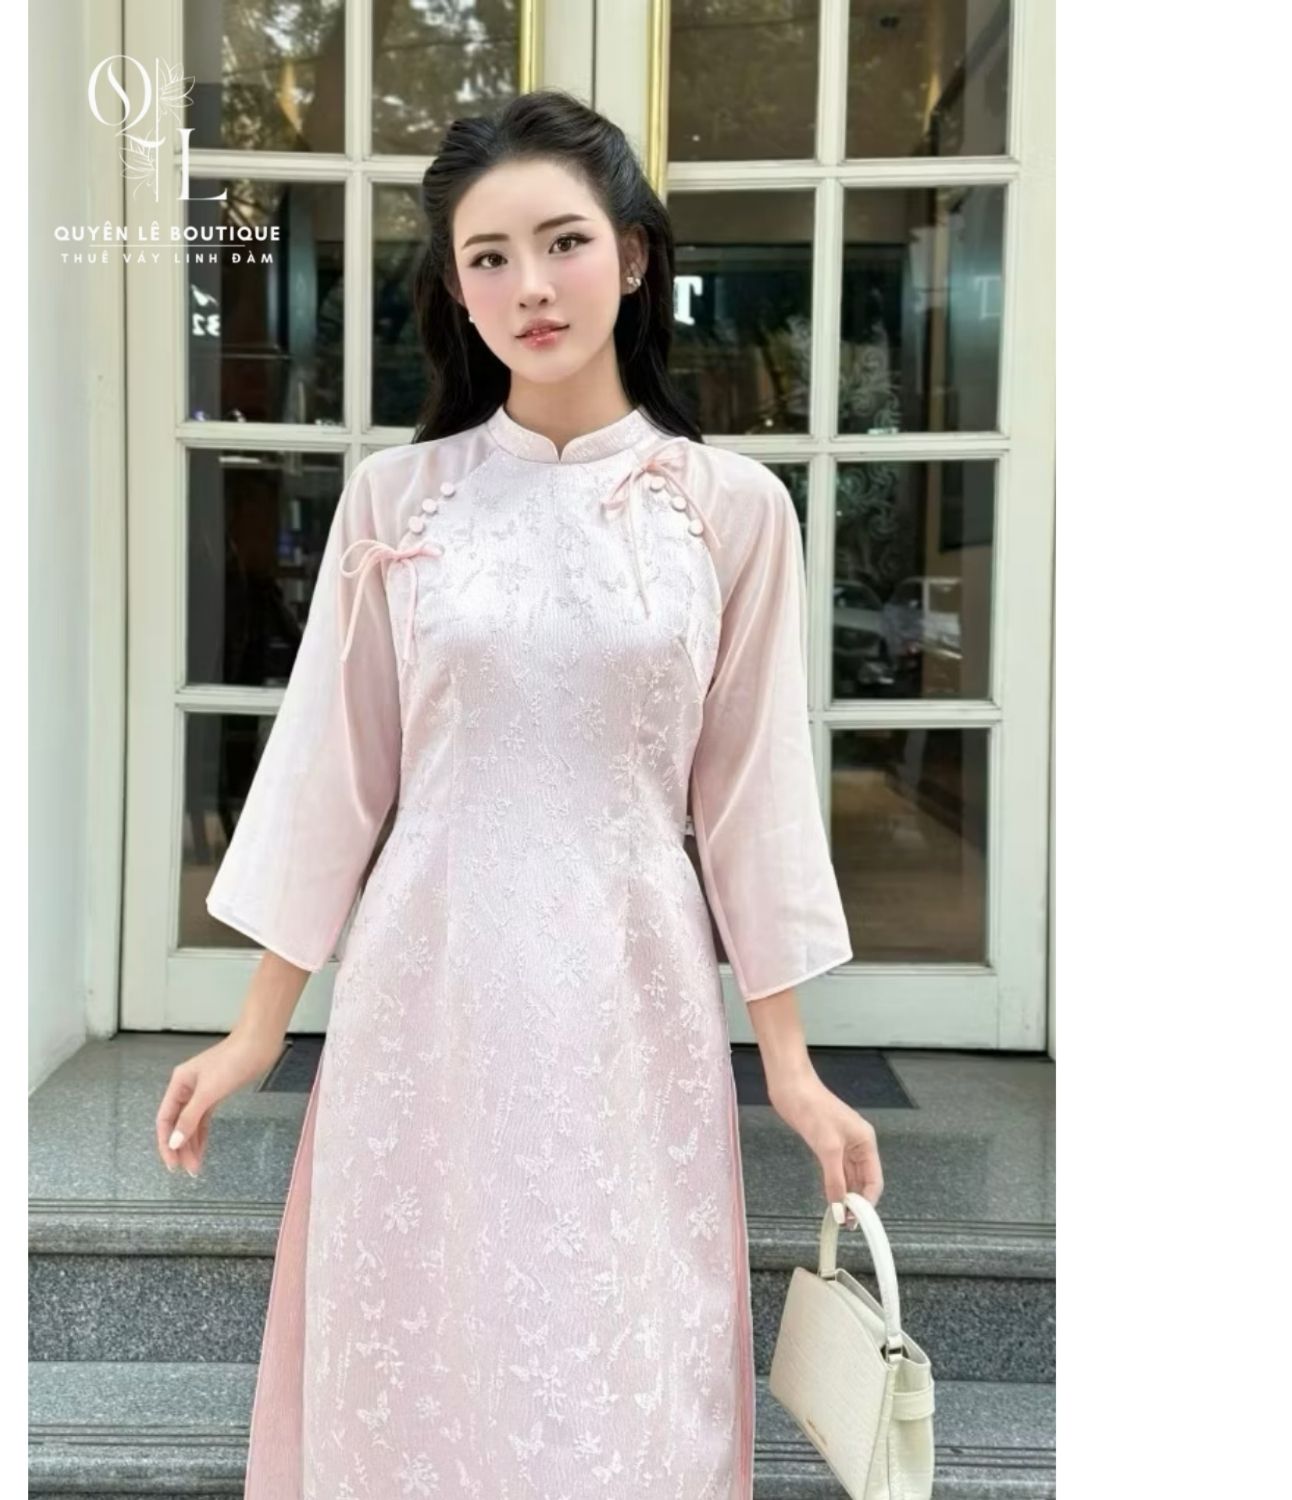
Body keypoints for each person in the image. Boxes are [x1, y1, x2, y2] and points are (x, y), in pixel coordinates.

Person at [155, 87, 883, 1499]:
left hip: (630, 986)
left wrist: (792, 1065)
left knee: (620, 1352)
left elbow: (754, 797)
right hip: (428, 982)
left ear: (634, 254)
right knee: (426, 1341)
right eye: (488, 257)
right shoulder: (400, 501)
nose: (530, 286)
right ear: (455, 288)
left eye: (563, 242)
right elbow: (332, 773)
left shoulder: (729, 507)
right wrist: (255, 1029)